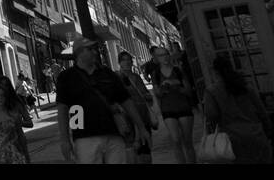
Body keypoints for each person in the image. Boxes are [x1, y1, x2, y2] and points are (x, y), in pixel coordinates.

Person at [57, 35, 150, 164]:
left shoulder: (107, 74)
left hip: (113, 134)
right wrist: (65, 140)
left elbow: (126, 101)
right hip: (84, 137)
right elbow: (62, 109)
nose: (95, 52)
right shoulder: (66, 77)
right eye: (90, 49)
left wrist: (141, 127)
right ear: (80, 52)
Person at [203, 55, 273, 164]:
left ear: (215, 72)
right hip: (256, 134)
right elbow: (261, 111)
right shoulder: (245, 87)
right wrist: (268, 132)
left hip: (232, 140)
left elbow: (211, 115)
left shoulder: (212, 91)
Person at [148, 45, 197, 164]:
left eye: (165, 54)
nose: (164, 57)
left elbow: (189, 91)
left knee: (187, 140)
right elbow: (157, 93)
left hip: (183, 107)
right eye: (160, 55)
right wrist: (163, 87)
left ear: (169, 55)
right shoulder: (156, 74)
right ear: (156, 59)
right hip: (168, 109)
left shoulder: (178, 70)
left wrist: (176, 84)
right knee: (175, 140)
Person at [117, 50, 155, 164]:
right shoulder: (117, 78)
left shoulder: (137, 77)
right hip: (127, 118)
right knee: (133, 150)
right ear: (120, 63)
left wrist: (147, 96)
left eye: (129, 60)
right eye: (124, 60)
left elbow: (145, 94)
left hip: (142, 115)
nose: (127, 62)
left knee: (146, 151)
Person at [0, 78, 32, 164]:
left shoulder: (15, 109)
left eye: (2, 95)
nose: (0, 98)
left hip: (15, 153)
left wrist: (26, 154)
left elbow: (23, 131)